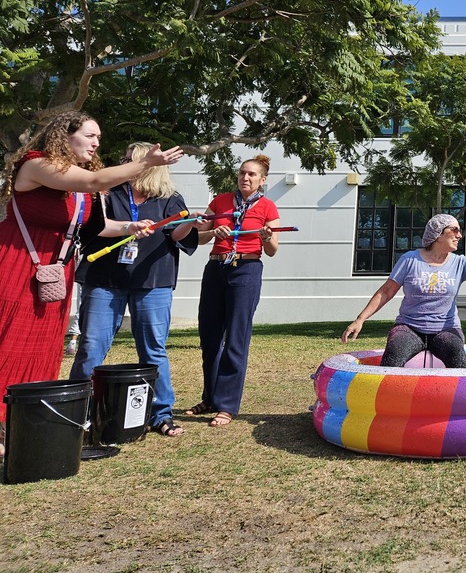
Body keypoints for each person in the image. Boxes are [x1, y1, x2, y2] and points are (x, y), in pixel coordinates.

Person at [0, 111, 182, 458]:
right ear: (64, 136)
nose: (97, 142)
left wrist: (129, 228)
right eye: (90, 135)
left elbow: (96, 227)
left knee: (42, 348)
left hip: (55, 270)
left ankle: (24, 423)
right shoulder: (37, 164)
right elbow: (95, 182)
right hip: (19, 262)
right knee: (10, 343)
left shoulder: (81, 185)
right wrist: (146, 163)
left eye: (98, 137)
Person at [69, 142, 200, 437]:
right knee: (91, 347)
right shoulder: (106, 192)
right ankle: (79, 412)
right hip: (105, 281)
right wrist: (130, 225)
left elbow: (176, 235)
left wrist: (190, 223)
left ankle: (160, 413)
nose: (124, 162)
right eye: (125, 157)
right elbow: (96, 226)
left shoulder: (170, 198)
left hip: (153, 282)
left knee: (153, 349)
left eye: (130, 159)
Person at [343, 213, 466, 367]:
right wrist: (360, 319)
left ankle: (463, 413)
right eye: (454, 230)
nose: (459, 235)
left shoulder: (459, 263)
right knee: (393, 355)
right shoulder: (410, 260)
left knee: (457, 357)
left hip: (446, 329)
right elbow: (386, 292)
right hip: (409, 327)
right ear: (437, 234)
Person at [185, 155, 281, 428]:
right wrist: (214, 232)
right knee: (210, 336)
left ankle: (227, 405)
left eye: (251, 174)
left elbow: (273, 250)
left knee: (236, 338)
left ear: (262, 180)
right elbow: (199, 238)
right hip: (216, 269)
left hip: (246, 270)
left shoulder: (267, 207)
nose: (245, 178)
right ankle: (211, 397)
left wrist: (265, 237)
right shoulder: (220, 201)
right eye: (241, 173)